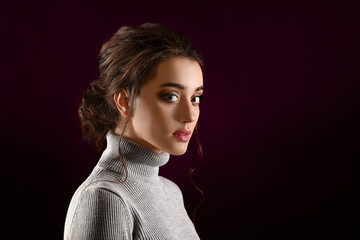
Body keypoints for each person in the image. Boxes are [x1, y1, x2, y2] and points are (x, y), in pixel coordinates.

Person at [64, 23, 205, 240]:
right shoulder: (105, 197)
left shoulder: (171, 192)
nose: (190, 115)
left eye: (195, 98)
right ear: (124, 101)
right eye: (170, 96)